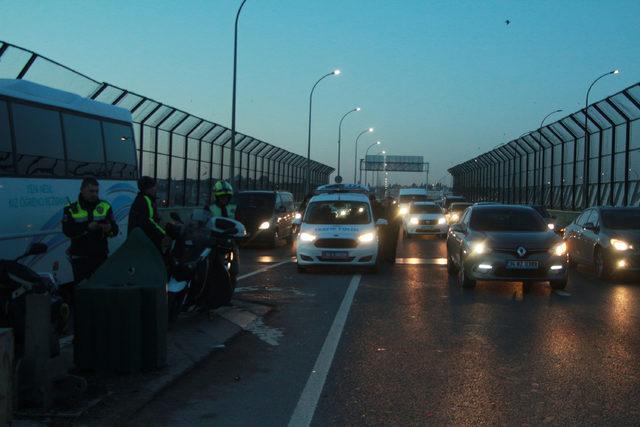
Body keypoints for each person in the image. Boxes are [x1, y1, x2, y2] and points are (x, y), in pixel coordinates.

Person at [62, 177, 119, 286]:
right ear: (82, 190)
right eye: (91, 191)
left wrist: (109, 229)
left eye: (97, 191)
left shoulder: (105, 206)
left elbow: (115, 230)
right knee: (82, 292)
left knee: (101, 290)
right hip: (80, 258)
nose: (95, 194)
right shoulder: (70, 208)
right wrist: (87, 228)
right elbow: (67, 231)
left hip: (100, 257)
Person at [128, 176, 170, 251]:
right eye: (153, 186)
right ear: (148, 188)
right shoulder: (145, 200)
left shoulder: (142, 199)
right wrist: (163, 234)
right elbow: (148, 221)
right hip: (145, 242)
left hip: (139, 240)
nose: (155, 189)